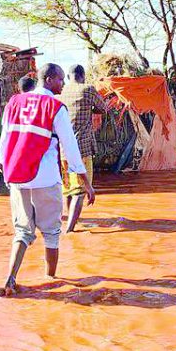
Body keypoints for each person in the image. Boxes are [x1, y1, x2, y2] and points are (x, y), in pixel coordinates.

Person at [0, 63, 94, 295]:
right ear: (49, 79)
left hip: (17, 178)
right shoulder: (55, 107)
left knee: (22, 231)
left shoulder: (14, 103)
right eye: (60, 80)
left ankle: (10, 280)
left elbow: (4, 139)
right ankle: (52, 280)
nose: (62, 84)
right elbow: (71, 149)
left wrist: (3, 166)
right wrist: (85, 183)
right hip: (46, 179)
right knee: (51, 233)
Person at [59, 64, 107, 234]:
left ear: (67, 76)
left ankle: (69, 225)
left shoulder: (61, 92)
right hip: (82, 148)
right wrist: (91, 108)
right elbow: (103, 108)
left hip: (61, 149)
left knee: (68, 190)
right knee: (80, 191)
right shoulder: (88, 89)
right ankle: (70, 230)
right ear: (82, 75)